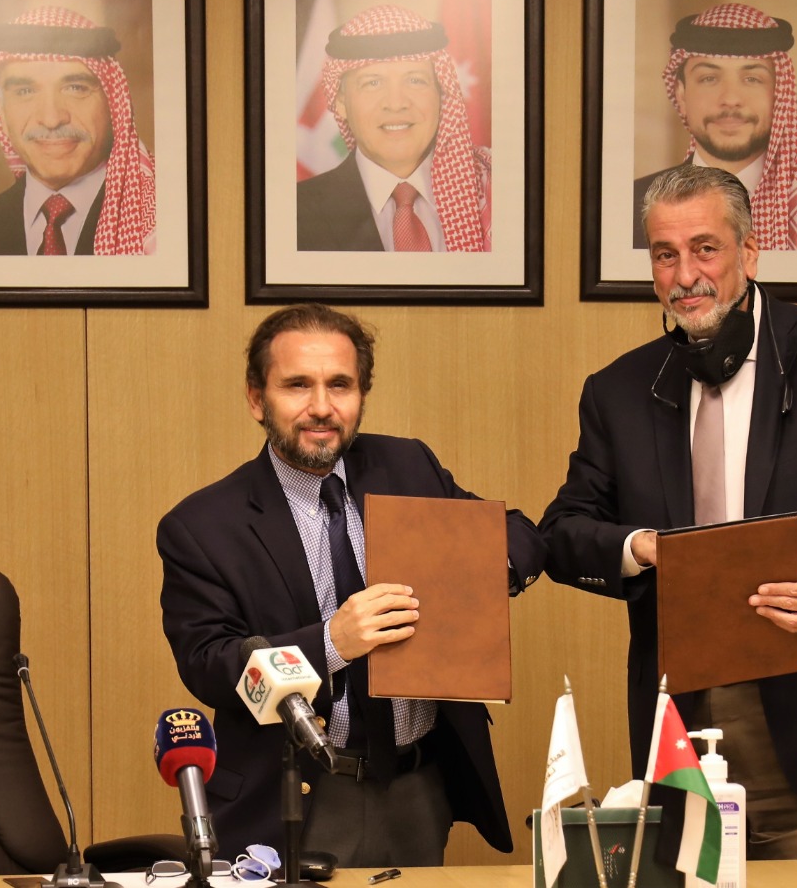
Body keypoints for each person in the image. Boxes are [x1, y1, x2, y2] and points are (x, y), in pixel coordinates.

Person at [543, 165, 797, 859]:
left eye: (705, 248)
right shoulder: (617, 389)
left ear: (749, 253)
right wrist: (640, 546)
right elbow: (564, 531)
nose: (685, 274)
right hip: (680, 736)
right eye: (665, 254)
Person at [158, 304, 543, 866]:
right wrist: (331, 643)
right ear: (256, 399)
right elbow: (211, 668)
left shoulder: (406, 465)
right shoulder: (202, 526)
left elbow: (519, 534)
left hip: (418, 784)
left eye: (340, 384)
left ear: (361, 393)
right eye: (297, 385)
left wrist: (478, 574)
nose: (321, 407)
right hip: (296, 793)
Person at [0, 5, 156, 256]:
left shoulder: (160, 227)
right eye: (25, 92)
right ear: (2, 113)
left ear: (113, 105)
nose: (51, 119)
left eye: (76, 88)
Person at [296, 4, 492, 252]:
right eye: (373, 83)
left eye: (415, 80)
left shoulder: (494, 193)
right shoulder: (294, 214)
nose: (396, 103)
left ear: (441, 94)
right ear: (341, 103)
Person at [632, 2, 797, 252]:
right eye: (709, 78)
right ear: (681, 95)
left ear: (779, 94)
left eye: (752, 79)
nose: (731, 99)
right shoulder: (632, 205)